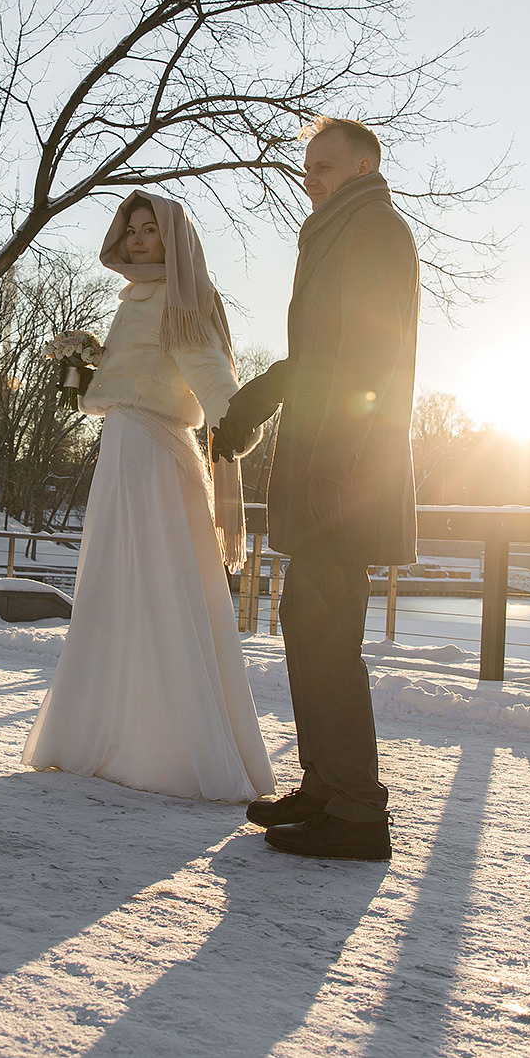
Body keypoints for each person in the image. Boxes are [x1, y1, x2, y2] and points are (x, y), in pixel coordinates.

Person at [23, 192, 275, 803]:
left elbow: (212, 376)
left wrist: (237, 424)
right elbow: (129, 377)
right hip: (122, 450)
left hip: (157, 455)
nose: (136, 240)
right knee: (116, 586)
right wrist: (81, 370)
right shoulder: (133, 299)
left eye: (148, 230)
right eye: (130, 230)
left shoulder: (182, 299)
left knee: (163, 587)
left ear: (173, 240)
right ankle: (108, 737)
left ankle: (171, 752)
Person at [212, 116, 419, 861]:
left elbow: (369, 359)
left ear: (364, 167)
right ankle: (328, 787)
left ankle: (359, 810)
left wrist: (338, 468)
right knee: (310, 626)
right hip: (328, 470)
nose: (313, 179)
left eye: (325, 165)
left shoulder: (374, 233)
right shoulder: (337, 233)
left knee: (328, 636)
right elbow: (316, 361)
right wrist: (257, 402)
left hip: (345, 476)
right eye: (307, 169)